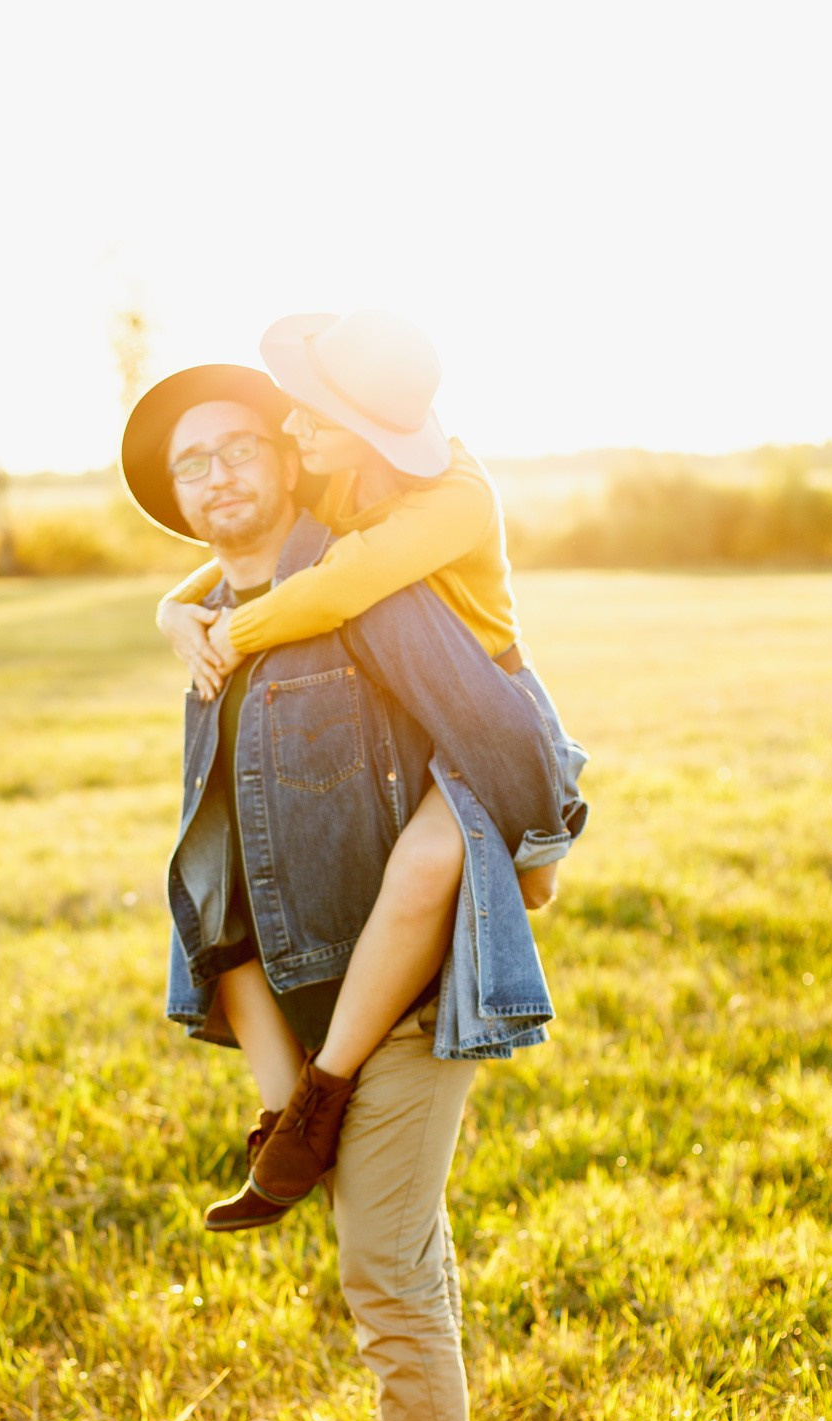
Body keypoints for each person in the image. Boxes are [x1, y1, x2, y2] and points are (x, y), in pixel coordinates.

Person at [121, 363, 585, 1421]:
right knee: (381, 1255)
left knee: (382, 1266)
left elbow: (494, 758)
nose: (214, 475)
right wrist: (283, 1097)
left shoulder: (384, 584)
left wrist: (536, 850)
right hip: (300, 993)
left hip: (419, 982)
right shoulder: (213, 627)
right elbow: (209, 864)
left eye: (232, 447)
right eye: (187, 467)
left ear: (285, 451)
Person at [154, 313, 587, 1229]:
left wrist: (225, 635)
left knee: (463, 872)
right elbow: (260, 554)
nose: (293, 434)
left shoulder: (456, 497)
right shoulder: (345, 473)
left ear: (369, 427)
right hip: (413, 708)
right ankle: (297, 1119)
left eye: (308, 419)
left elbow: (337, 585)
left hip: (483, 706)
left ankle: (327, 1089)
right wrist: (173, 607)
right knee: (220, 888)